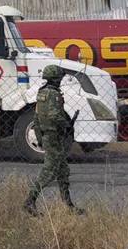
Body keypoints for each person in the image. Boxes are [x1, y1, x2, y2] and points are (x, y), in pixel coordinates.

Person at [24, 64, 84, 216]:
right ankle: (29, 201)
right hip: (54, 136)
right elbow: (54, 116)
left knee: (63, 171)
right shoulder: (54, 94)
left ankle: (68, 205)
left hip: (47, 135)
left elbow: (37, 117)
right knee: (50, 171)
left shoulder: (41, 93)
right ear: (56, 79)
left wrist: (39, 135)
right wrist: (67, 126)